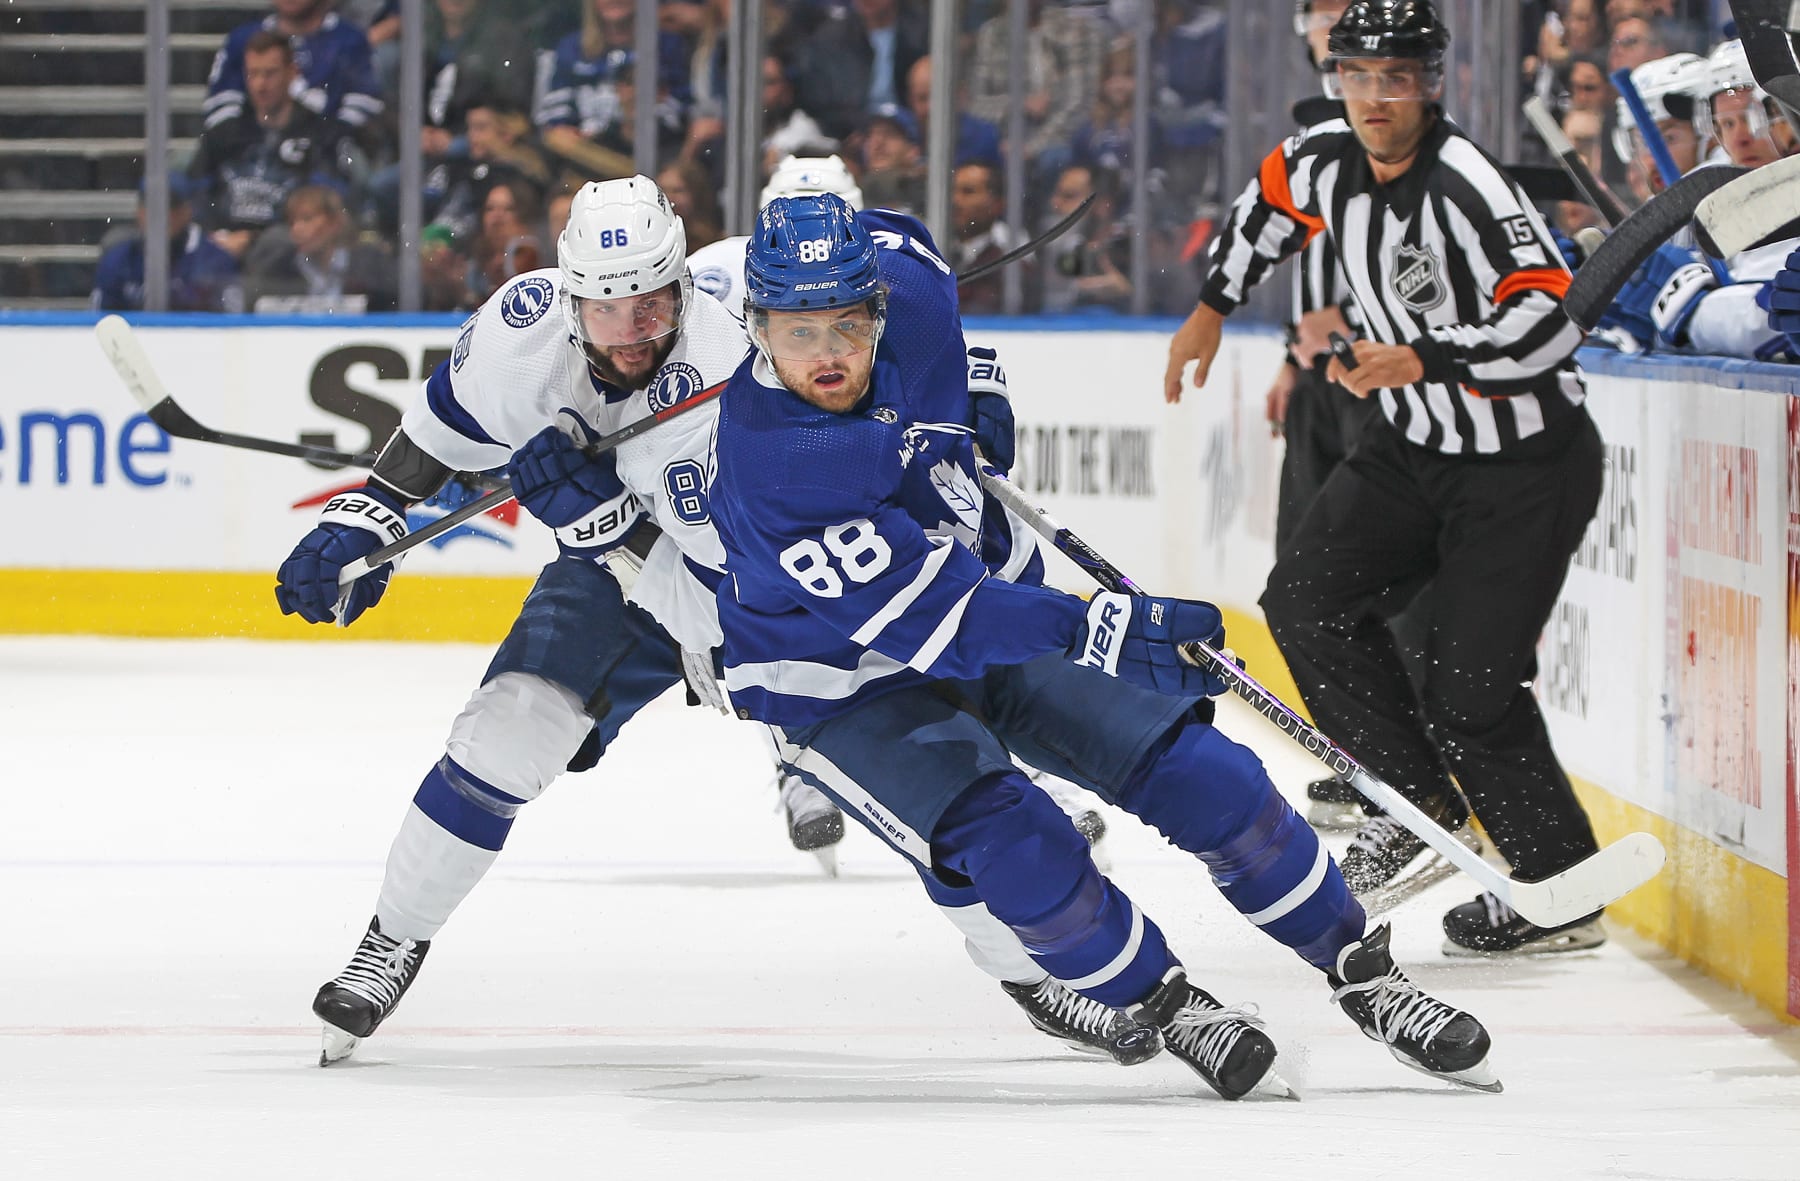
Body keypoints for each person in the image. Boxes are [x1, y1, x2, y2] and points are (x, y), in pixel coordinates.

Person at [276, 175, 1150, 1069]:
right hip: (618, 575)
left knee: (925, 785)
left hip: (767, 588)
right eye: (608, 312)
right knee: (504, 732)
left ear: (683, 281)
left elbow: (895, 319)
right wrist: (365, 519)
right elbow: (435, 441)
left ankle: (1038, 979)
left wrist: (972, 386)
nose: (632, 334)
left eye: (653, 305)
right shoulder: (522, 331)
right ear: (569, 294)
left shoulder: (746, 312)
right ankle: (394, 935)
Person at [706, 191, 1499, 1095]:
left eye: (848, 325)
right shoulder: (780, 463)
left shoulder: (913, 283)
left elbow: (913, 245)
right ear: (756, 326)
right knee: (1022, 848)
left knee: (1212, 775)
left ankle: (1368, 975)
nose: (830, 356)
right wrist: (1101, 627)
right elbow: (950, 628)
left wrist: (976, 390)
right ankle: (1172, 1006)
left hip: (990, 603)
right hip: (843, 681)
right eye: (798, 334)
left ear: (879, 303)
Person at [1162, 0, 1608, 957]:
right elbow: (1264, 209)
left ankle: (1561, 892)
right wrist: (1211, 304)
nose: (1374, 97)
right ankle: (1414, 810)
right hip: (1412, 450)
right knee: (1303, 600)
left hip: (1523, 466)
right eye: (1357, 76)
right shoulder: (1325, 157)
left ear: (1432, 84)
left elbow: (1554, 324)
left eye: (1395, 78)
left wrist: (1424, 357)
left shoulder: (1471, 187)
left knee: (1471, 692)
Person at [688, 154, 1110, 868]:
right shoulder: (714, 276)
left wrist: (977, 386)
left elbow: (941, 343)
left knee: (948, 594)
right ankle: (802, 766)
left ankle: (1026, 768)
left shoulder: (892, 269)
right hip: (765, 476)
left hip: (882, 456)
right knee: (781, 611)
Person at [188, 29, 356, 261]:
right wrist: (213, 235)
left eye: (270, 74)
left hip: (289, 250)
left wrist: (254, 239)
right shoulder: (224, 132)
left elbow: (326, 203)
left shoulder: (321, 133)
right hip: (222, 244)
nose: (260, 84)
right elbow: (195, 192)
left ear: (292, 72)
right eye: (253, 74)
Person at [91, 175, 243, 313]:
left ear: (187, 210)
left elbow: (230, 325)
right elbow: (102, 323)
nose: (162, 214)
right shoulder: (117, 260)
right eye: (152, 205)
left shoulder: (216, 261)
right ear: (139, 211)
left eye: (171, 205)